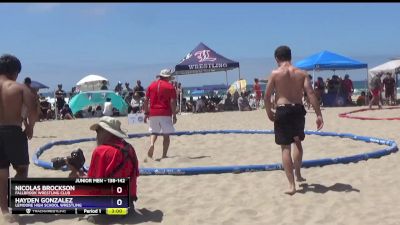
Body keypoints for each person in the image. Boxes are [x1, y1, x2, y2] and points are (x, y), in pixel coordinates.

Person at [264, 46, 323, 195]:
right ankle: (298, 174)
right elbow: (310, 93)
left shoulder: (275, 73)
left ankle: (292, 185)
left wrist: (269, 112)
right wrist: (318, 114)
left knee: (285, 147)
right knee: (297, 142)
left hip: (283, 110)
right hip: (297, 109)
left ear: (277, 58)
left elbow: (267, 96)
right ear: (290, 57)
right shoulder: (302, 73)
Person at [0, 54, 38, 221]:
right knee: (22, 169)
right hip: (14, 131)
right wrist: (30, 127)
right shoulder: (20, 88)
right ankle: (14, 196)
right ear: (15, 71)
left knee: (1, 173)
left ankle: (4, 211)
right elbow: (33, 111)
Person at [68, 116, 139, 204]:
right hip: (129, 199)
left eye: (98, 131)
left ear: (106, 132)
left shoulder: (101, 151)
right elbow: (135, 173)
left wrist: (77, 175)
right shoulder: (129, 148)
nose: (96, 135)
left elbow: (94, 181)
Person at [143, 69, 177, 161]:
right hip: (165, 112)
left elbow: (145, 100)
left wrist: (146, 112)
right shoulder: (170, 87)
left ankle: (152, 144)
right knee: (166, 135)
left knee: (154, 132)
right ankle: (164, 155)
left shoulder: (151, 85)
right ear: (168, 77)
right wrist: (174, 114)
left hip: (153, 112)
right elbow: (173, 102)